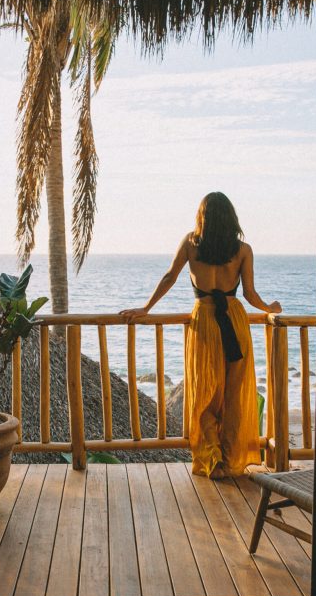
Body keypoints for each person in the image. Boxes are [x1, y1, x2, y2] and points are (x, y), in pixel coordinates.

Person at [120, 192, 281, 478]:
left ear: (202, 217)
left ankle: (213, 461)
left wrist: (146, 307)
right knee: (233, 394)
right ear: (231, 217)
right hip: (234, 320)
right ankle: (232, 460)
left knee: (205, 393)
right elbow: (249, 293)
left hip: (205, 320)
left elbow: (170, 276)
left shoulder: (191, 244)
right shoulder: (243, 249)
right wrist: (269, 308)